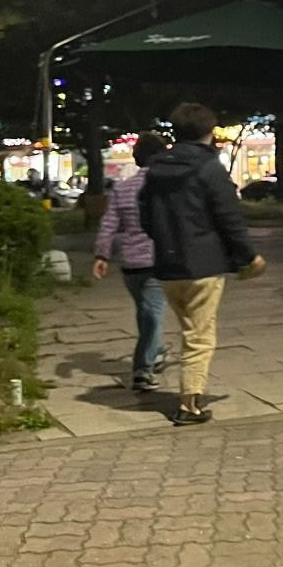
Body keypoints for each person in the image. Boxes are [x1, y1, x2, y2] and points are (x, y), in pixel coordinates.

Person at [140, 103, 266, 425]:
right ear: (209, 132)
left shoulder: (155, 170)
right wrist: (249, 256)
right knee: (200, 336)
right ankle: (189, 405)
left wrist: (166, 241)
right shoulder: (209, 168)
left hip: (167, 266)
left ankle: (189, 397)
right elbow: (228, 217)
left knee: (189, 330)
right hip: (203, 265)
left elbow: (146, 218)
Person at [92, 132, 170, 393]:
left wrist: (102, 255)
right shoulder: (164, 188)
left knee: (146, 312)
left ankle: (155, 350)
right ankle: (143, 370)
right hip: (155, 260)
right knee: (153, 315)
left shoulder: (122, 188)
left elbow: (109, 224)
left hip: (129, 264)